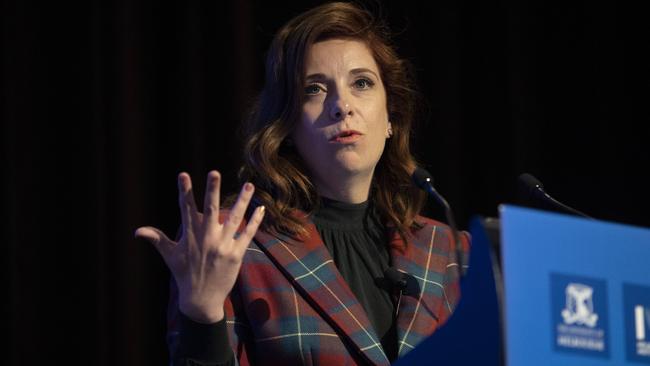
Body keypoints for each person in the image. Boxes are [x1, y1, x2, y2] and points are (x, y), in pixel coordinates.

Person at [136, 2, 470, 365]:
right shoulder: (233, 245)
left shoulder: (450, 251)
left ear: (391, 117)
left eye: (361, 83)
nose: (342, 105)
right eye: (314, 89)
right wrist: (201, 314)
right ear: (288, 126)